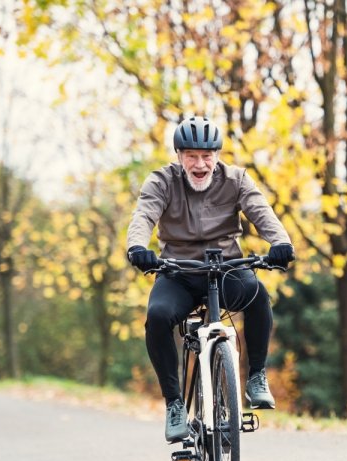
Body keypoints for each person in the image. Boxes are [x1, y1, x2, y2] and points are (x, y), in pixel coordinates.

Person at [126, 116, 295, 442]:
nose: (200, 164)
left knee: (257, 296)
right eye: (191, 155)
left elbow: (261, 211)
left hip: (227, 268)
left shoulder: (236, 179)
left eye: (207, 156)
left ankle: (256, 376)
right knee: (158, 316)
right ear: (178, 156)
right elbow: (144, 214)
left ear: (217, 155)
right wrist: (137, 247)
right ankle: (174, 404)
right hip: (178, 272)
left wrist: (281, 243)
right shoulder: (162, 181)